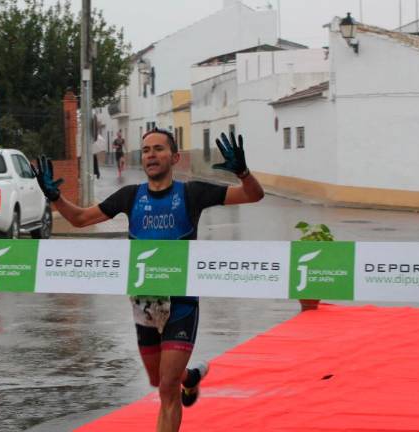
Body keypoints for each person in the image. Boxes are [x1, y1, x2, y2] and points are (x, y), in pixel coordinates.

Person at [33, 128, 264, 432]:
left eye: (158, 149)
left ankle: (181, 381)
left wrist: (244, 173)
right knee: (158, 378)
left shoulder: (192, 193)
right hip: (143, 305)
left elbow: (253, 194)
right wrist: (55, 196)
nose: (151, 155)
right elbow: (79, 219)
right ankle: (190, 378)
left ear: (175, 156)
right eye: (145, 150)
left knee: (166, 389)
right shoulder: (131, 197)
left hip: (181, 304)